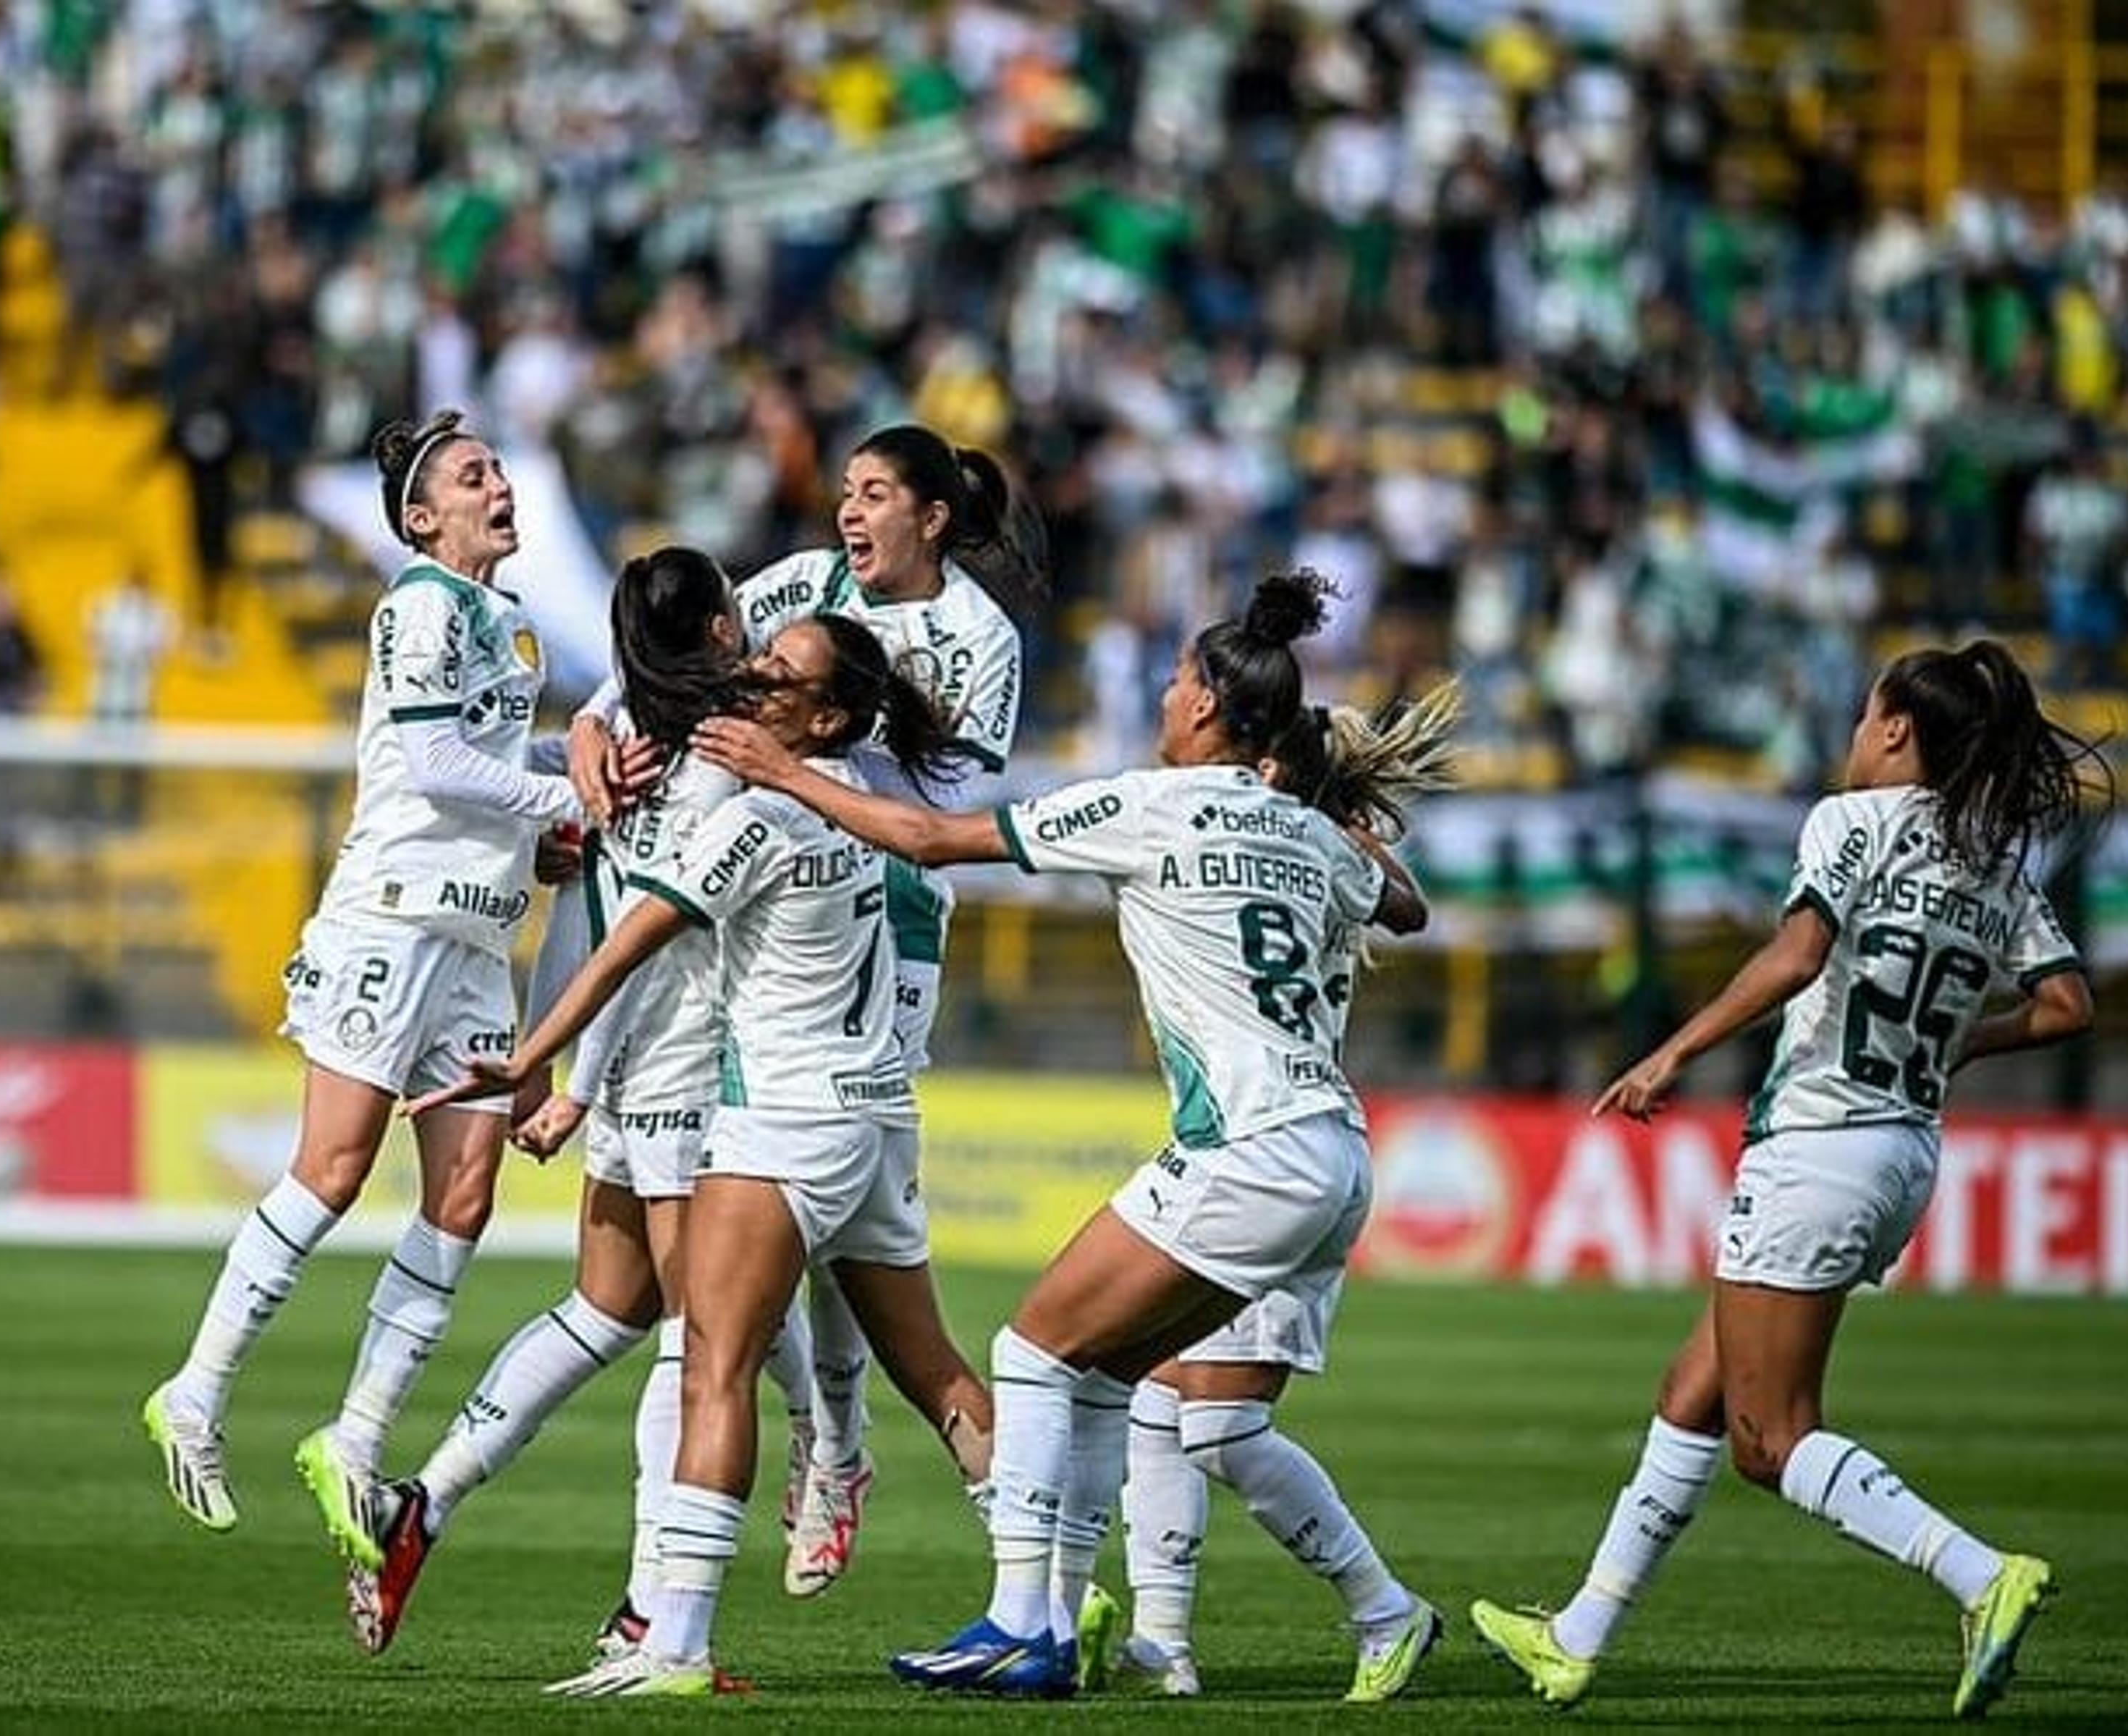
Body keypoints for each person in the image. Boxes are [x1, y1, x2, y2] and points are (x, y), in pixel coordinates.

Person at [694, 570, 1427, 1698]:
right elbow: (1407, 904)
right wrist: (1314, 811)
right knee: (1101, 1373)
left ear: (1205, 711)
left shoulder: (1148, 802)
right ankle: (1050, 1624)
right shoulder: (1311, 834)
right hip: (1336, 1153)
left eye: (1180, 680)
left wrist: (785, 773)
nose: (1166, 694)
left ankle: (1019, 1617)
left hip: (1247, 1146)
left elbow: (931, 840)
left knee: (1030, 1349)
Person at [1471, 640, 2100, 1721]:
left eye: (1867, 715)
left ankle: (1978, 1571)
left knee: (1770, 1439)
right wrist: (1953, 1045)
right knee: (1692, 1394)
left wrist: (1669, 1052)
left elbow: (1801, 954)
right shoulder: (1994, 862)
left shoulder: (1848, 822)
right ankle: (1575, 1636)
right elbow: (2065, 1007)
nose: (1856, 735)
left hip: (1818, 1143)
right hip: (1903, 1149)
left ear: (1897, 727)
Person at [413, 612, 1000, 1697]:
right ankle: (1044, 1599)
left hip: (782, 1120)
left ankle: (673, 1640)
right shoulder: (869, 805)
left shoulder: (766, 818)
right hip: (879, 1120)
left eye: (779, 677)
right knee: (936, 1371)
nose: (753, 679)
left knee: (712, 1366)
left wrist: (531, 1059)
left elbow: (632, 937)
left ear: (822, 717)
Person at [319, 547, 837, 1660]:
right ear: (714, 633)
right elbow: (638, 940)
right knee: (712, 1337)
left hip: (622, 1060)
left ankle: (425, 1500)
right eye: (739, 620)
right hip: (680, 1063)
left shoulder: (631, 736)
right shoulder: (712, 767)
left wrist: (548, 1061)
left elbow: (583, 910)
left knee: (610, 1307)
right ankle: (688, 1578)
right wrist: (573, 1078)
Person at [567, 421, 1042, 1598]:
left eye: (875, 491)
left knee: (804, 1226)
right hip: (752, 915)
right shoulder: (797, 584)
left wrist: (815, 757)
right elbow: (660, 667)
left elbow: (959, 799)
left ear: (933, 516)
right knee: (835, 1232)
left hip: (878, 930)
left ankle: (816, 1470)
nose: (849, 508)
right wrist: (587, 730)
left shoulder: (979, 639)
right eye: (846, 488)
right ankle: (871, 1465)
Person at [140, 409, 585, 1541]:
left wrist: (564, 773)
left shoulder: (507, 620)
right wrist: (565, 793)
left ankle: (356, 1437)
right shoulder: (421, 604)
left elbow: (485, 758)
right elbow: (436, 766)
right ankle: (194, 1391)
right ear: (422, 515)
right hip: (393, 923)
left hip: (481, 938)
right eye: (477, 475)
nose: (502, 486)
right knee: (333, 1169)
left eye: (500, 470)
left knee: (466, 1197)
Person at [1081, 685, 1464, 1703]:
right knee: (1158, 1397)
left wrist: (1321, 809)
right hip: (1249, 1146)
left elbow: (1411, 907)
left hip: (1282, 1150)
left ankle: (1387, 1610)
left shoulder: (1299, 844)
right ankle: (1164, 1645)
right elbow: (1412, 906)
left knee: (1216, 1428)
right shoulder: (1317, 856)